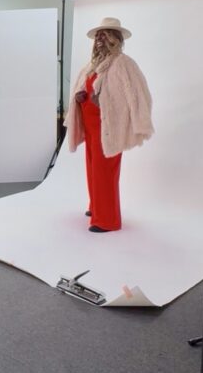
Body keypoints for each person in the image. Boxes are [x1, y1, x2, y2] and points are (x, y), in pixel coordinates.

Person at [65, 16, 153, 233]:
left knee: (105, 171)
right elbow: (85, 87)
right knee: (93, 168)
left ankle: (107, 220)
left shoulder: (124, 63)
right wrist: (80, 96)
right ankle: (96, 206)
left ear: (116, 38)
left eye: (104, 35)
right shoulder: (93, 65)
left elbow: (137, 96)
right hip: (91, 125)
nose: (99, 40)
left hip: (109, 128)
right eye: (98, 36)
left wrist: (104, 101)